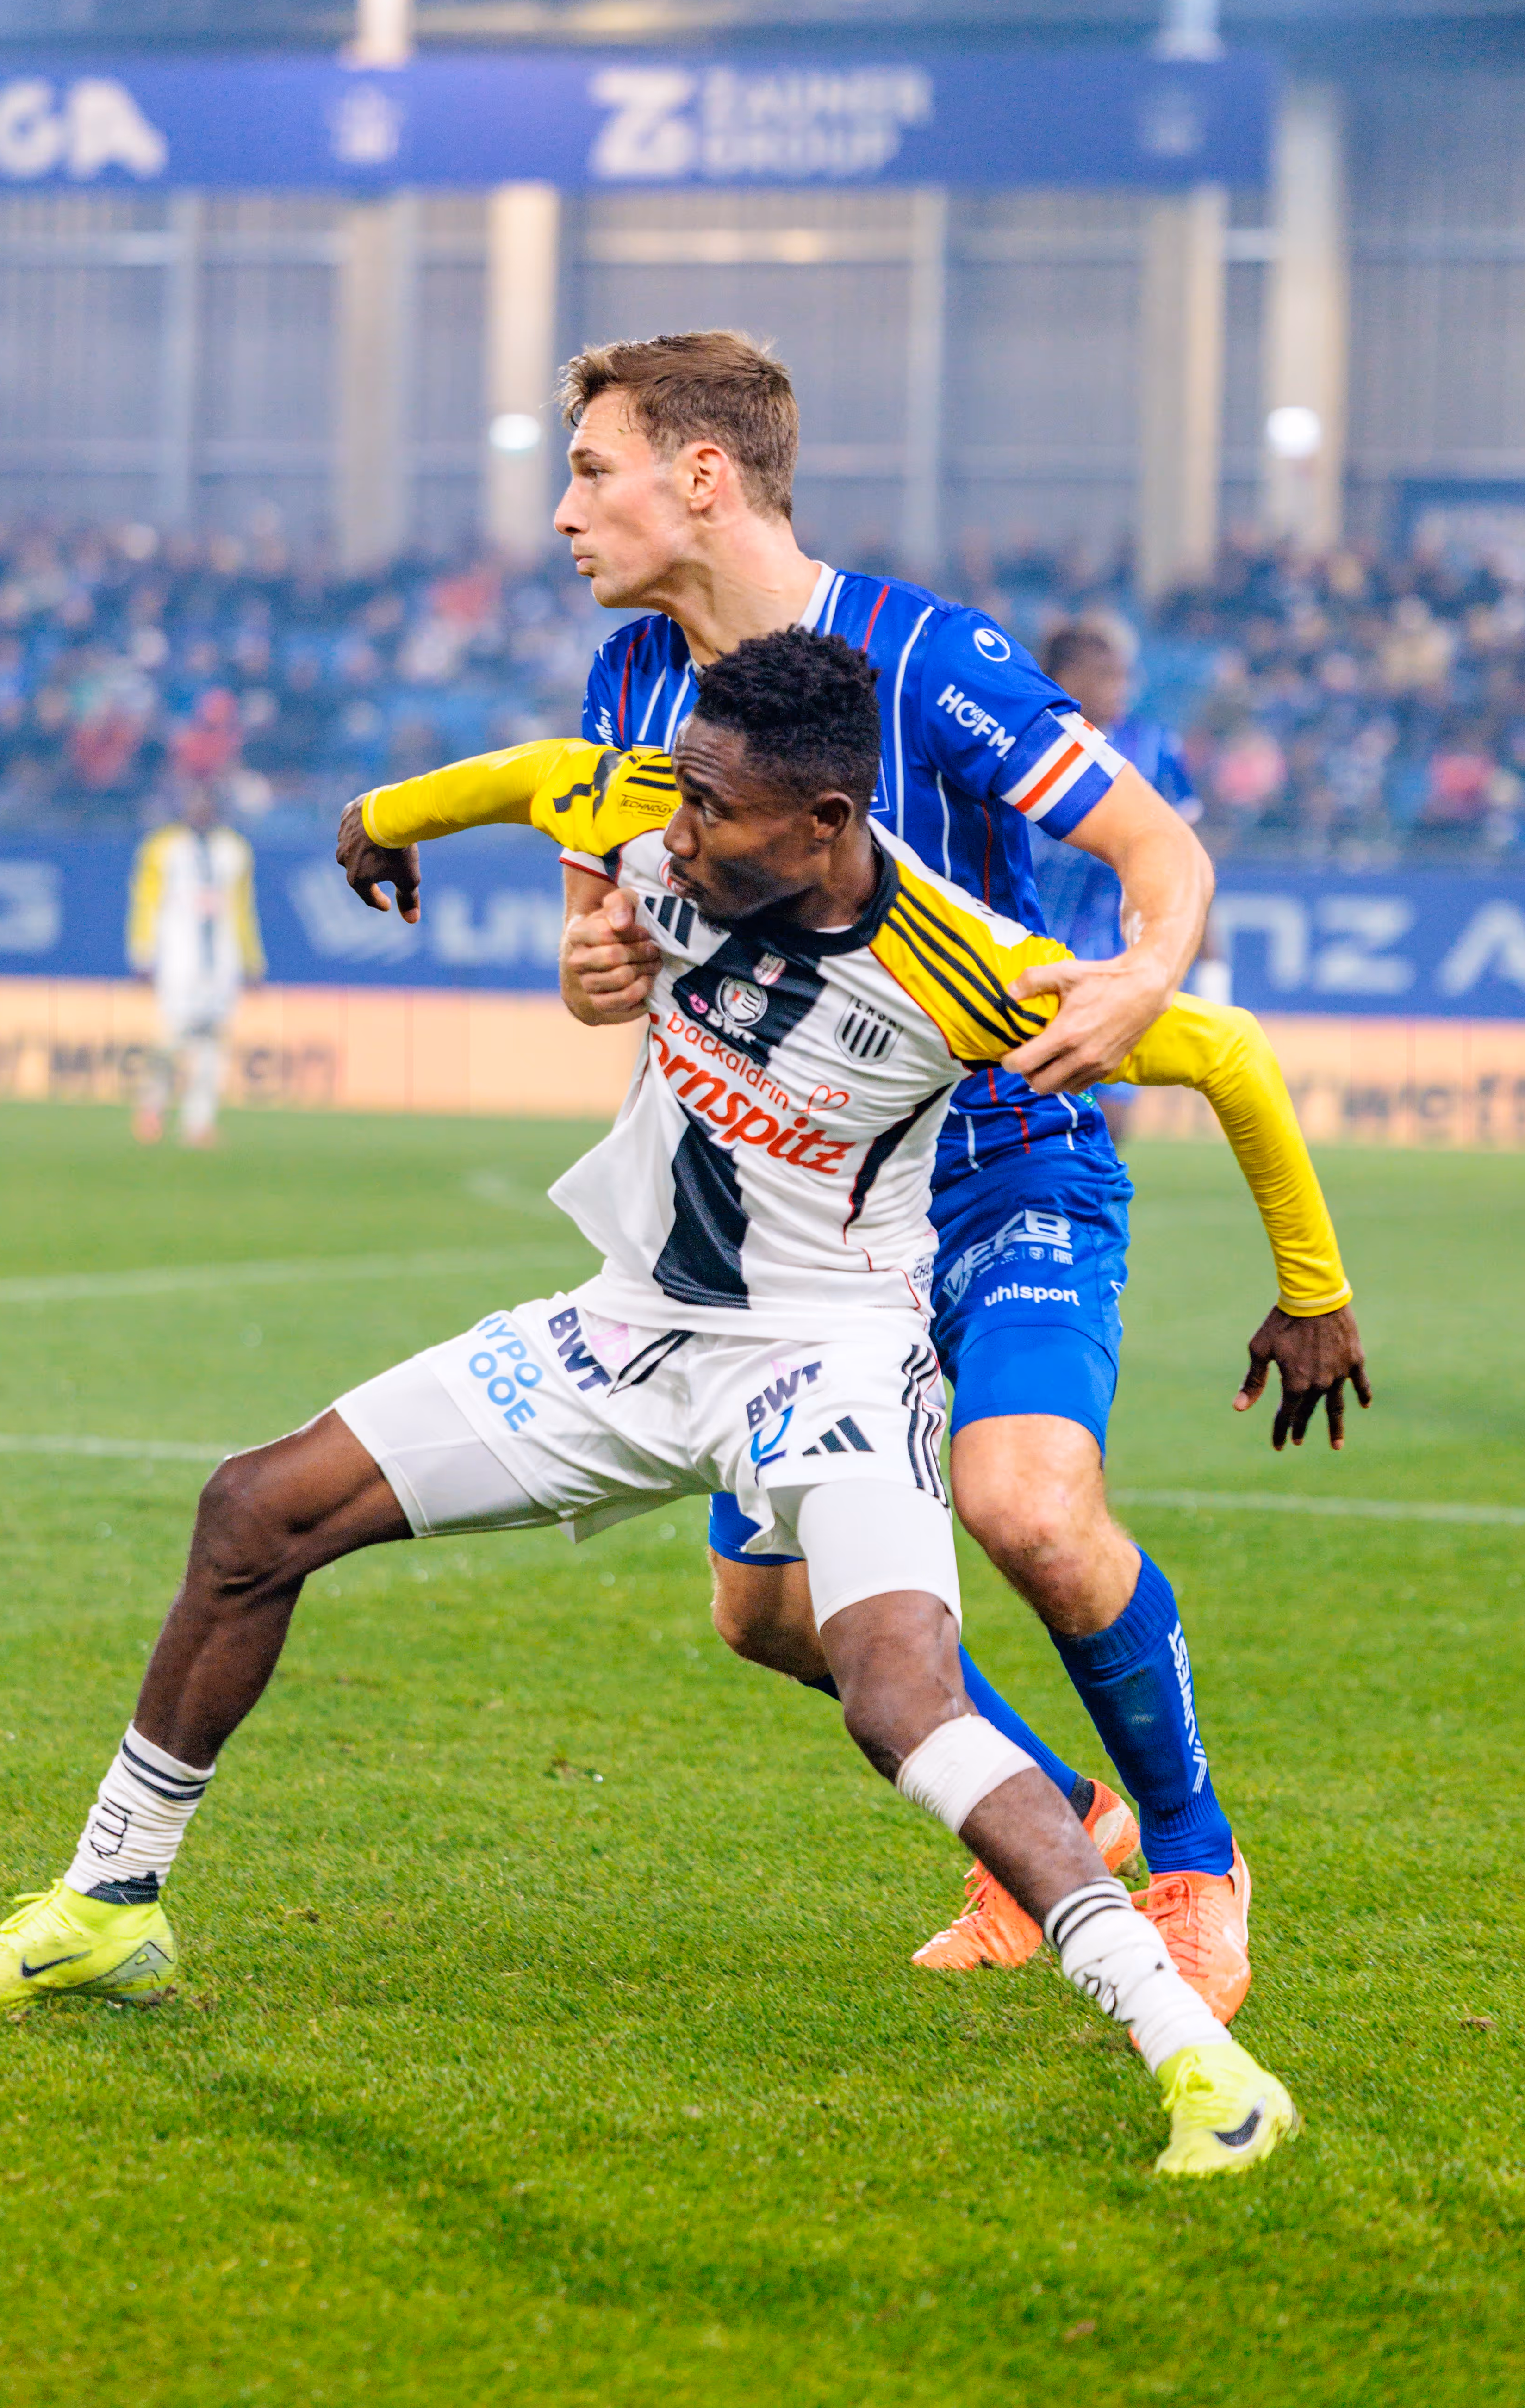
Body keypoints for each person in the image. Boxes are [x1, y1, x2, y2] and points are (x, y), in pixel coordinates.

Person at [0, 633, 1300, 2179]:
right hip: (623, 1333)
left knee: (900, 1693)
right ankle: (106, 1911)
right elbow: (521, 779)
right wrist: (384, 818)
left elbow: (1225, 1054)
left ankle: (1190, 2048)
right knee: (255, 1510)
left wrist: (1314, 1289)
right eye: (679, 797)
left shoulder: (965, 970)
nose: (673, 838)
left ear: (829, 822)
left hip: (827, 1356)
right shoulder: (653, 798)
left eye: (718, 816)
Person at [545, 332, 1368, 2014]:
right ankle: (1041, 1821)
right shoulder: (624, 686)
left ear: (701, 476)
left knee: (1022, 1506)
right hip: (791, 1226)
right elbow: (594, 927)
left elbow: (1157, 848)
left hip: (1002, 1168)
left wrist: (1141, 975)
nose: (564, 510)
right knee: (772, 1615)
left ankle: (1197, 1865)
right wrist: (591, 962)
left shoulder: (930, 657)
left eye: (591, 468)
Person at [1031, 621, 1227, 1154]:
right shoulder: (1019, 738)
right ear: (1064, 679)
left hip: (1109, 961)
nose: (1120, 690)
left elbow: (1189, 862)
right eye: (1105, 677)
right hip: (1021, 953)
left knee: (1112, 1119)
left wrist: (1212, 969)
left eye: (1122, 677)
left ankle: (1085, 1217)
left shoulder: (1153, 748)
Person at [126, 780, 265, 1148]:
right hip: (179, 958)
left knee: (213, 1044)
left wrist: (252, 960)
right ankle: (152, 1108)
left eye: (205, 801)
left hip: (222, 961)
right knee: (171, 1037)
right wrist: (143, 952)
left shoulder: (235, 850)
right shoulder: (162, 848)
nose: (199, 809)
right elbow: (147, 901)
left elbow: (243, 908)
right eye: (192, 801)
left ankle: (198, 1123)